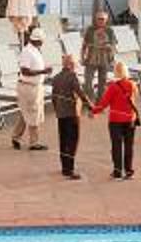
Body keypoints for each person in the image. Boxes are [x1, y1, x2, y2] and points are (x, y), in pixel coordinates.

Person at [49, 50, 86, 180]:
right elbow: (80, 93)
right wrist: (90, 106)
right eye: (74, 63)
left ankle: (64, 167)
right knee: (72, 141)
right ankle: (69, 169)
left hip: (61, 114)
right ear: (70, 64)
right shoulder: (72, 76)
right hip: (71, 114)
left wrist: (57, 110)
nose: (75, 66)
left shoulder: (56, 78)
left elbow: (53, 97)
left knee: (63, 141)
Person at [100, 65, 141, 181]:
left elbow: (104, 103)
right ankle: (129, 171)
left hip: (115, 120)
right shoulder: (132, 85)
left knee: (116, 146)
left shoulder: (112, 87)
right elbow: (134, 99)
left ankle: (117, 171)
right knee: (129, 146)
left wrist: (93, 110)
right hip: (130, 119)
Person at [11, 26, 48, 151]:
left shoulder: (35, 50)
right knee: (33, 113)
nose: (43, 43)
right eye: (42, 40)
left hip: (35, 86)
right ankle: (34, 142)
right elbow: (24, 71)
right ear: (38, 40)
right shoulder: (27, 52)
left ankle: (16, 136)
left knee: (25, 112)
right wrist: (43, 71)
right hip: (29, 87)